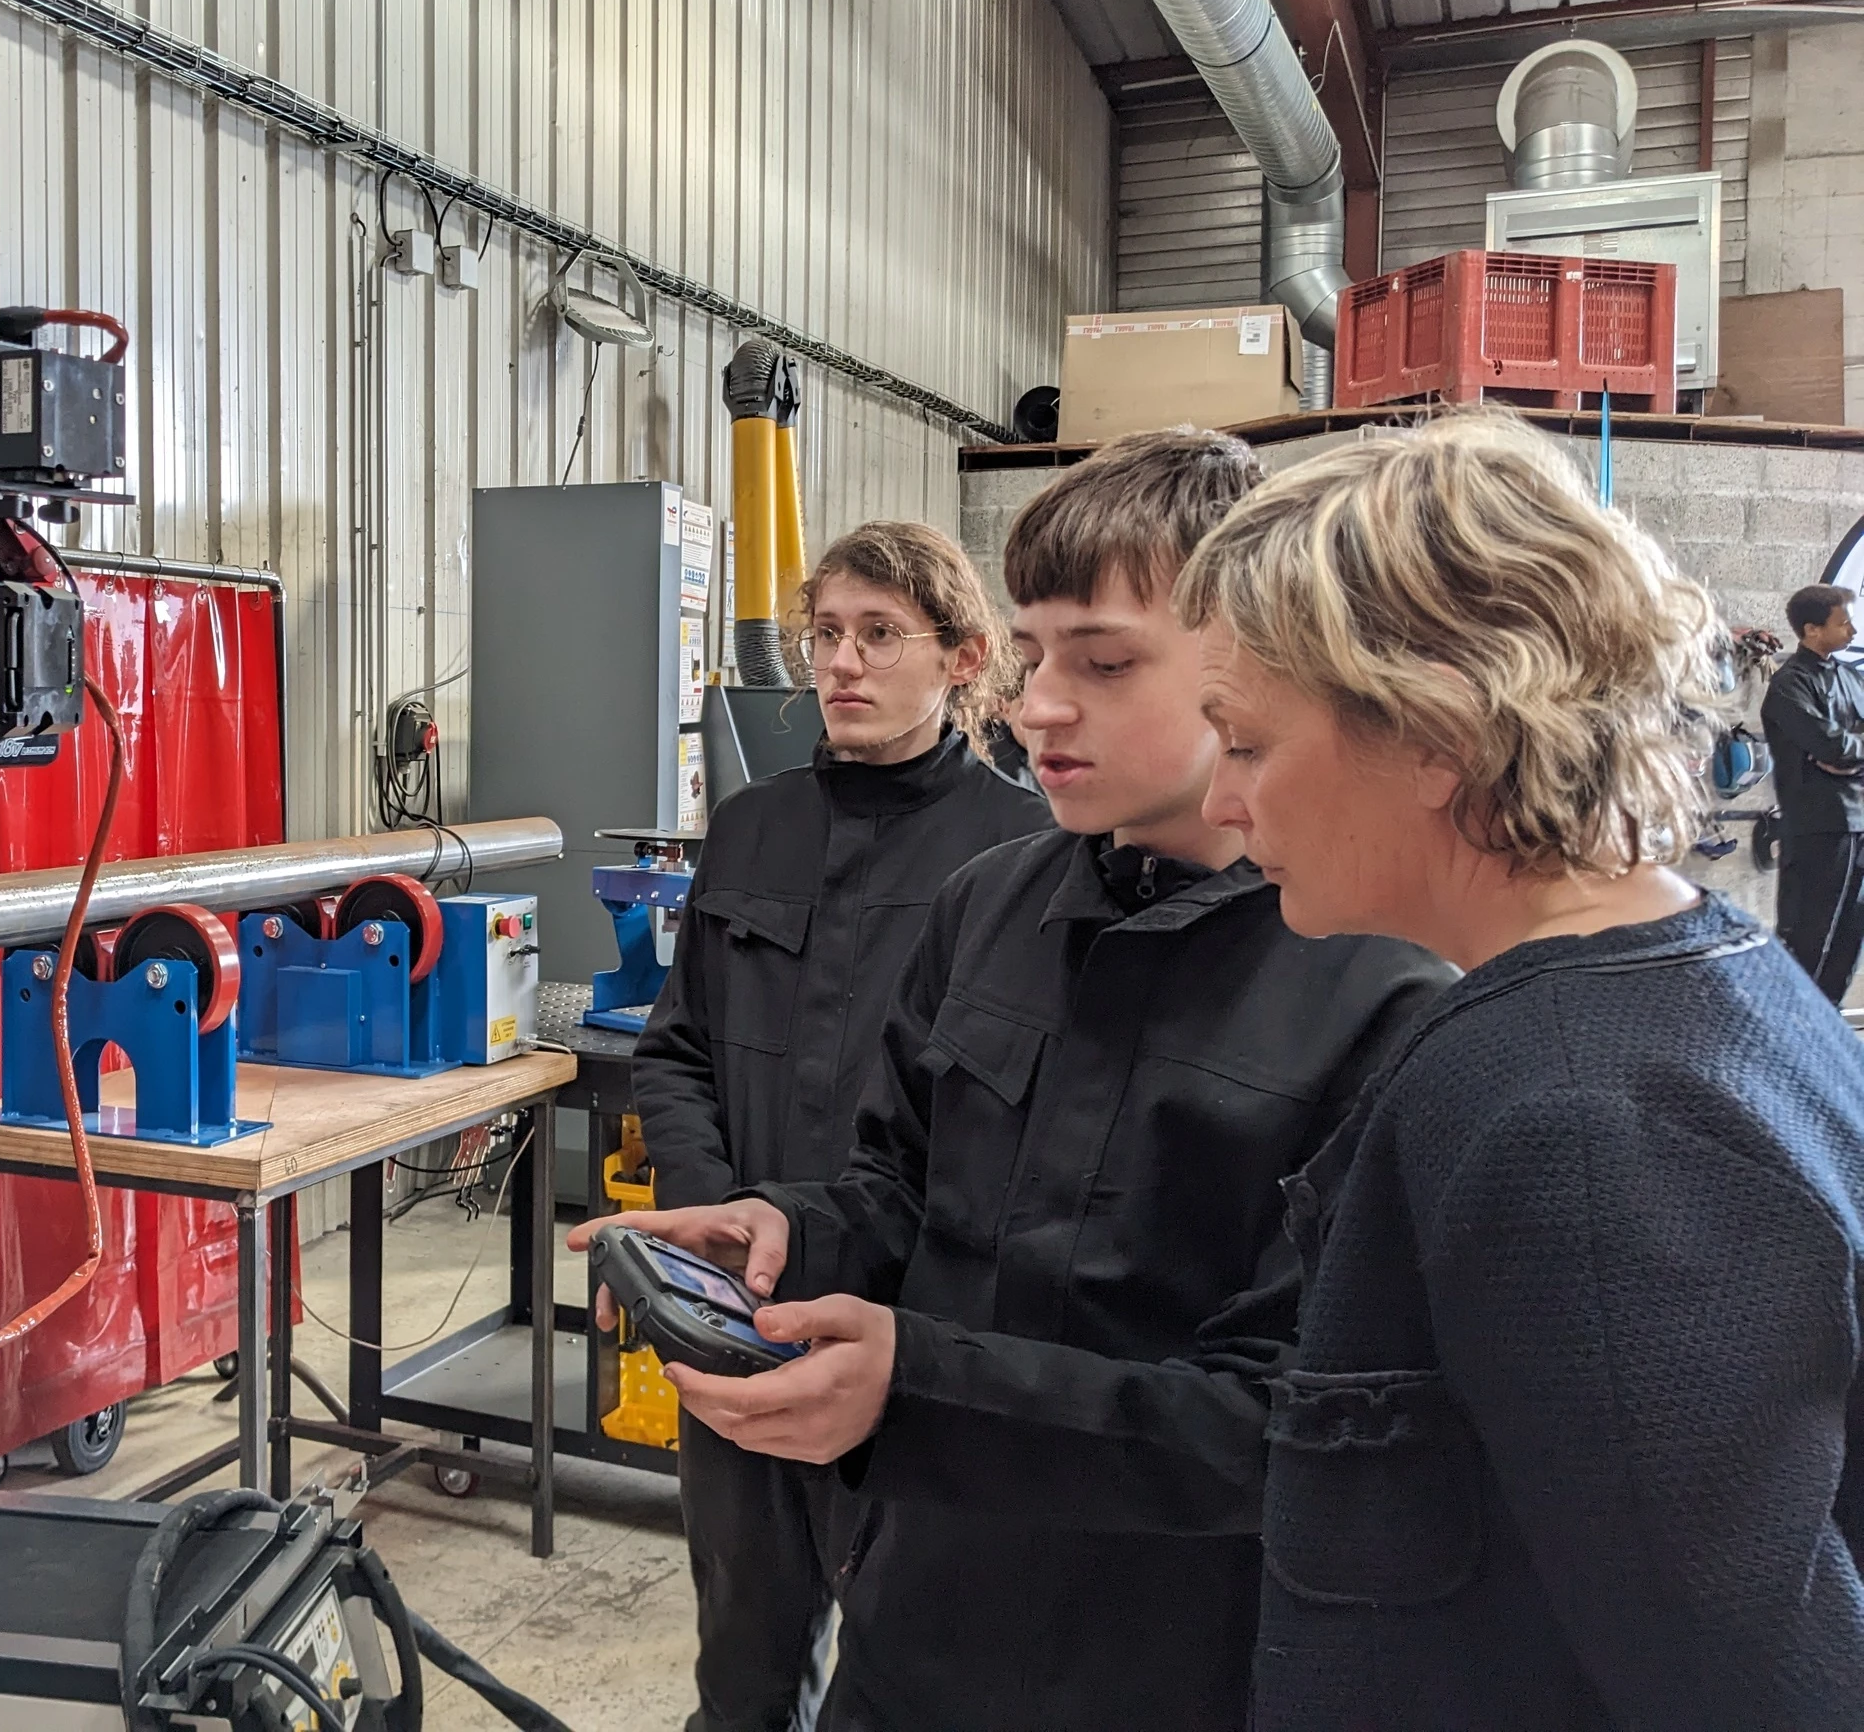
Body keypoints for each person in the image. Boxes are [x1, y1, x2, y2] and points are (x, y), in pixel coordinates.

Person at [579, 429, 1449, 1731]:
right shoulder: (991, 905)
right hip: (913, 1628)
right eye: (1037, 657)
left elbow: (1297, 1425)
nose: (1040, 704)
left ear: (1262, 652)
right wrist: (783, 1231)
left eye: (1101, 663)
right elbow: (899, 1186)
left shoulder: (1379, 988)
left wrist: (911, 1394)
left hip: (1163, 1669)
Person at [1177, 412, 1864, 1729]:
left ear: (1435, 733)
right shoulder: (1707, 973)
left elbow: (1755, 1686)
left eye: (1249, 743)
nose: (1222, 802)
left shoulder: (1578, 1124)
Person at [632, 519, 1049, 1732]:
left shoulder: (1021, 853)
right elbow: (677, 1047)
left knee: (910, 1671)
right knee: (743, 1670)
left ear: (963, 660)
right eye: (826, 635)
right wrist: (704, 1214)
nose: (844, 666)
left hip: (904, 1333)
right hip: (737, 1318)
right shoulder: (755, 828)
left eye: (880, 636)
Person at [1760, 582, 1864, 999]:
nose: (1853, 631)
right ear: (1812, 630)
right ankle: (1796, 1033)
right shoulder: (1789, 685)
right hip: (1817, 827)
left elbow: (1840, 752)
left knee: (1852, 933)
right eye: (1844, 623)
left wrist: (1846, 756)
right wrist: (1844, 752)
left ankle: (1830, 1027)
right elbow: (1828, 746)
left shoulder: (1852, 678)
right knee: (1810, 932)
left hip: (1859, 822)